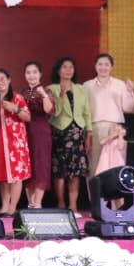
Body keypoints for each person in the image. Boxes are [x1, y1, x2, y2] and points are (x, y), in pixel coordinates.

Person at [48, 56, 91, 213]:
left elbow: (86, 112)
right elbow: (53, 112)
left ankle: (73, 205)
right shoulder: (51, 89)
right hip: (59, 133)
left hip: (77, 133)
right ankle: (61, 203)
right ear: (58, 71)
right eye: (64, 67)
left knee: (75, 171)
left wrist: (89, 133)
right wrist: (61, 95)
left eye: (71, 67)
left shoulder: (80, 89)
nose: (68, 70)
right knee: (59, 170)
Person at [83, 53, 134, 175]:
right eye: (100, 64)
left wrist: (129, 91)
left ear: (112, 67)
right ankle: (95, 188)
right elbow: (83, 110)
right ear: (95, 66)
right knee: (95, 165)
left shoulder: (120, 84)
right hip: (95, 128)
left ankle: (114, 188)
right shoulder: (87, 85)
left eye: (107, 64)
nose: (103, 67)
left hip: (115, 129)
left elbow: (128, 108)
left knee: (115, 164)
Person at [0, 68, 31, 218]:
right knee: (2, 175)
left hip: (15, 142)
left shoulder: (17, 97)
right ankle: (4, 206)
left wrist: (15, 109)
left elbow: (28, 117)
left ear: (9, 80)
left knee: (15, 176)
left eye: (2, 79)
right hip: (0, 142)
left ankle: (12, 208)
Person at [21, 61, 55, 209]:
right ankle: (30, 202)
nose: (31, 75)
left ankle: (38, 203)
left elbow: (49, 110)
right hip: (24, 132)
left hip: (41, 132)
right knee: (28, 166)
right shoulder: (23, 93)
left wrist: (43, 95)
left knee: (40, 165)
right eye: (28, 72)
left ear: (40, 74)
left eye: (34, 72)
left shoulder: (46, 91)